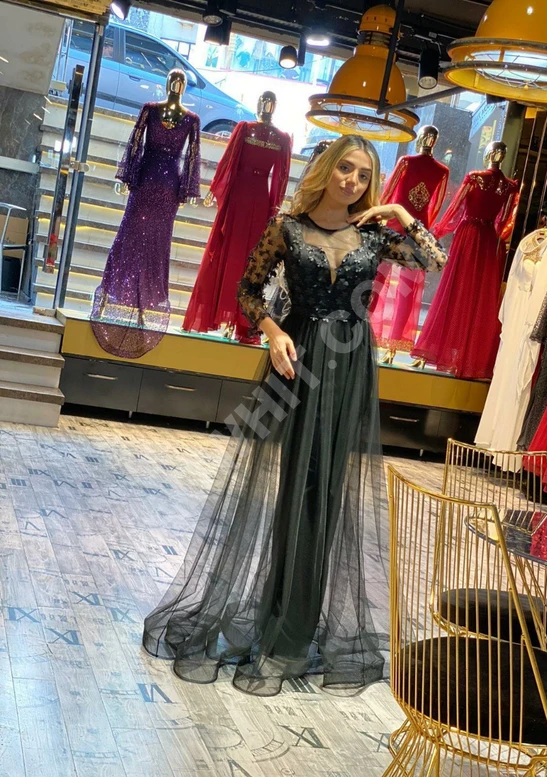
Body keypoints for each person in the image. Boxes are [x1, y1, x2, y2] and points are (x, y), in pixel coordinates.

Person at [143, 135, 448, 696]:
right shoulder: (286, 228)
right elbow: (247, 291)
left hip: (350, 367)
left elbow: (434, 258)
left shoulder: (375, 234)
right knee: (294, 485)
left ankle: (298, 624)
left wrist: (400, 211)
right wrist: (273, 331)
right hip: (299, 361)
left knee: (327, 489)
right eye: (345, 169)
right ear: (327, 169)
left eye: (364, 175)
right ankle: (280, 614)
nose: (353, 182)